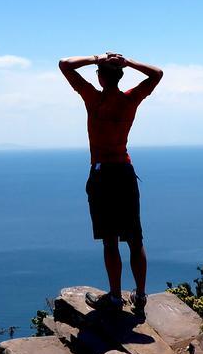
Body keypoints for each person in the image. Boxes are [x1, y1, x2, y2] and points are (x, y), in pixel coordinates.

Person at [59, 52, 163, 313]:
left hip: (102, 175)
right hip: (125, 173)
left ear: (101, 77)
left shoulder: (93, 98)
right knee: (135, 239)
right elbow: (157, 74)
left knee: (110, 240)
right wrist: (127, 62)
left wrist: (96, 58)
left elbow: (65, 65)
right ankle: (140, 297)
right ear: (119, 76)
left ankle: (115, 298)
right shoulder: (130, 100)